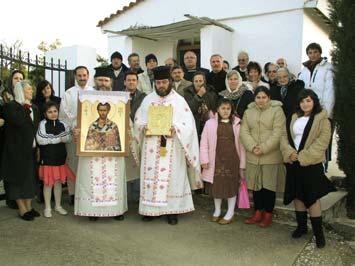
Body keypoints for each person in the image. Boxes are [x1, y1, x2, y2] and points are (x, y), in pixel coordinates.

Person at [134, 66, 203, 225]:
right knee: (151, 177)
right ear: (155, 83)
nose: (161, 85)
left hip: (172, 148)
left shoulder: (179, 101)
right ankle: (151, 210)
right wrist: (144, 127)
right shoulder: (148, 100)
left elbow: (189, 126)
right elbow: (138, 121)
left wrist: (176, 128)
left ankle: (172, 211)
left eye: (164, 82)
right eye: (158, 82)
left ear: (170, 81)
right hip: (151, 148)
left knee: (173, 179)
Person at [281, 89, 336, 248]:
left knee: (311, 197)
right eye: (302, 101)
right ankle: (302, 227)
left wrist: (304, 157)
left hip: (311, 163)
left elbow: (323, 142)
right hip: (294, 162)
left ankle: (319, 234)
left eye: (308, 100)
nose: (305, 104)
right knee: (298, 195)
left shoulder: (322, 119)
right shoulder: (294, 117)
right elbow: (284, 137)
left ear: (314, 102)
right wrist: (290, 153)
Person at [74, 67, 128, 221]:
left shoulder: (120, 100)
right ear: (95, 81)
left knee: (114, 180)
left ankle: (116, 210)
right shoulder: (85, 99)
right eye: (100, 80)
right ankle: (93, 211)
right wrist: (77, 130)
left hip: (113, 156)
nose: (103, 83)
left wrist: (128, 132)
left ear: (111, 82)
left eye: (106, 80)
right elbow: (78, 123)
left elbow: (123, 130)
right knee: (91, 180)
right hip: (92, 155)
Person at [240, 86, 286, 228]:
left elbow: (278, 132)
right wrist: (253, 146)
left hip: (270, 155)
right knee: (256, 187)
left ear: (269, 98)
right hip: (253, 155)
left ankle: (268, 214)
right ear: (255, 98)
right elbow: (244, 131)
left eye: (264, 97)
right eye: (258, 97)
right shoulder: (248, 112)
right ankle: (257, 212)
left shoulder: (277, 111)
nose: (261, 100)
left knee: (268, 187)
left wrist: (264, 148)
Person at [200, 98, 246, 224]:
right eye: (223, 108)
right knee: (217, 186)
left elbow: (242, 146)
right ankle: (217, 210)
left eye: (228, 109)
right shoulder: (210, 123)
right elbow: (204, 143)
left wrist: (242, 164)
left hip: (232, 161)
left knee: (231, 186)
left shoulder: (238, 124)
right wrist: (204, 159)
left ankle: (230, 212)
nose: (225, 111)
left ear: (231, 110)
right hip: (216, 160)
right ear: (218, 110)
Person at [1, 80, 40, 221]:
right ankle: (22, 209)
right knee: (17, 180)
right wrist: (24, 107)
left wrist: (38, 148)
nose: (31, 91)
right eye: (29, 89)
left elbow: (35, 129)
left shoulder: (34, 108)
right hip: (16, 151)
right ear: (21, 91)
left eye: (31, 89)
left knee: (29, 179)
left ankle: (29, 206)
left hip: (31, 149)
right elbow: (17, 121)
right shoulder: (11, 107)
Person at [59, 66, 94, 205]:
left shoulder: (93, 92)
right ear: (75, 76)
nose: (82, 78)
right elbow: (64, 114)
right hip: (75, 134)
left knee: (87, 165)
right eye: (79, 75)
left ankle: (86, 193)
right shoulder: (69, 94)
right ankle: (73, 194)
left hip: (91, 136)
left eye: (84, 75)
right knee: (73, 163)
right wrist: (74, 128)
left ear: (88, 75)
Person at [298, 43, 334, 171]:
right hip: (307, 109)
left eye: (315, 52)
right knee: (309, 137)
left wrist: (327, 113)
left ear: (320, 52)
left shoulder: (327, 68)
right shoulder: (304, 70)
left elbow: (329, 91)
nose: (313, 55)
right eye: (310, 52)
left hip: (321, 110)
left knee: (322, 139)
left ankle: (323, 167)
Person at [36, 101, 75, 218]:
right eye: (49, 112)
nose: (53, 114)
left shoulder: (63, 123)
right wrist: (59, 138)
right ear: (45, 113)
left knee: (58, 183)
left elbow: (68, 138)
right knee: (48, 184)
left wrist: (52, 138)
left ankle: (58, 206)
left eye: (55, 111)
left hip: (60, 159)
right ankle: (47, 208)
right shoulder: (42, 124)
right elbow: (41, 139)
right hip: (47, 159)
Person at [0, 69, 25, 209]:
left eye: (21, 78)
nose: (19, 81)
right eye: (16, 78)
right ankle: (11, 199)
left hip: (21, 139)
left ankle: (20, 198)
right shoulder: (5, 98)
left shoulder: (26, 97)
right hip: (7, 139)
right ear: (11, 81)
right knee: (10, 169)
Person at [124, 71, 146, 202]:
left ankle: (138, 196)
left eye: (134, 80)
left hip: (139, 134)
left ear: (137, 82)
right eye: (129, 80)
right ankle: (125, 195)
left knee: (139, 163)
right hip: (124, 134)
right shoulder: (119, 96)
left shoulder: (144, 97)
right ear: (124, 82)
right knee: (125, 165)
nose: (131, 82)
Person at [184, 71, 217, 139]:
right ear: (193, 82)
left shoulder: (211, 91)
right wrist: (199, 95)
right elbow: (190, 109)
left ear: (204, 82)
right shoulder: (187, 92)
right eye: (196, 81)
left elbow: (214, 108)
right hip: (194, 125)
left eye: (200, 81)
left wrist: (205, 95)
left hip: (209, 125)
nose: (198, 83)